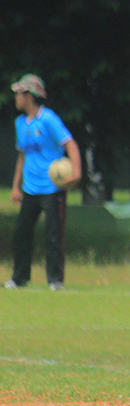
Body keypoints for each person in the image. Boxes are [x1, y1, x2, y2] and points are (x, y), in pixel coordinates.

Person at [6, 74, 81, 291]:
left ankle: (55, 280)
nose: (16, 98)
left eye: (19, 93)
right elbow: (22, 156)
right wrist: (16, 187)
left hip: (52, 188)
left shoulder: (48, 119)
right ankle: (19, 278)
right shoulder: (20, 123)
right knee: (21, 233)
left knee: (53, 235)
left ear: (29, 96)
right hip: (30, 188)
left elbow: (70, 144)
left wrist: (76, 173)